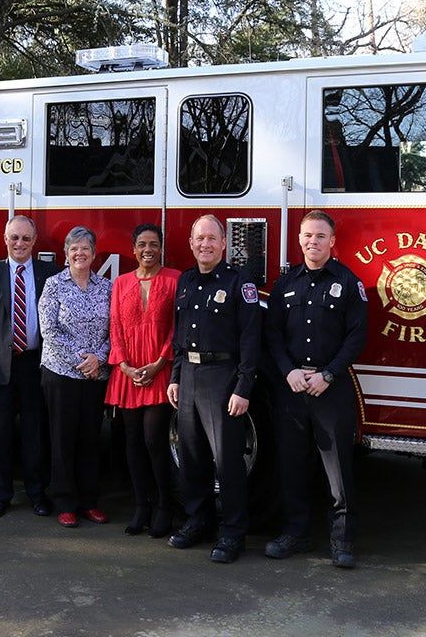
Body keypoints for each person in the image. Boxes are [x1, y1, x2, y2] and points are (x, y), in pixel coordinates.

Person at [264, 210, 368, 569]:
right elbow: (272, 334)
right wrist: (288, 371)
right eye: (308, 236)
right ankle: (295, 534)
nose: (313, 242)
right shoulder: (285, 283)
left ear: (332, 241)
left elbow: (357, 337)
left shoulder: (348, 282)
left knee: (338, 470)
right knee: (291, 465)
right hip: (292, 389)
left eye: (320, 236)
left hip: (330, 388)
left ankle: (342, 541)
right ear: (299, 240)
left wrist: (328, 374)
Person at [166, 215, 260, 563]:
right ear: (191, 244)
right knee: (192, 459)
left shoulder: (239, 283)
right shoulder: (187, 281)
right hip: (189, 374)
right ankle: (198, 521)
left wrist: (244, 386)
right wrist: (176, 376)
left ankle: (233, 534)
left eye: (211, 238)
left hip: (223, 376)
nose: (204, 244)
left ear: (223, 244)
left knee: (228, 461)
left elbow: (251, 339)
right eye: (199, 239)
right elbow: (179, 335)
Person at [0, 216, 59, 518]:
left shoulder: (50, 274)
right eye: (14, 238)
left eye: (25, 238)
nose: (19, 243)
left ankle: (37, 493)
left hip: (37, 365)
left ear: (34, 241)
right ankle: (0, 495)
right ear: (5, 240)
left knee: (36, 434)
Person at [105, 224, 180, 537]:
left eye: (153, 244)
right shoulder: (121, 283)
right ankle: (141, 506)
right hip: (128, 373)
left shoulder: (176, 279)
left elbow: (179, 326)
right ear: (133, 249)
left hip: (159, 370)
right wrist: (123, 365)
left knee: (155, 441)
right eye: (141, 245)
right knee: (132, 442)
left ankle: (165, 507)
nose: (147, 249)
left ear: (161, 247)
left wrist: (159, 362)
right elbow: (115, 327)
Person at [39, 226, 113, 529]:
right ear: (66, 254)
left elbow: (116, 330)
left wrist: (101, 358)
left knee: (90, 440)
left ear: (94, 254)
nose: (80, 253)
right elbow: (49, 330)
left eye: (85, 248)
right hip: (61, 373)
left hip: (96, 375)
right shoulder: (53, 285)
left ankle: (89, 502)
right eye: (74, 249)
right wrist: (81, 361)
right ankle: (65, 502)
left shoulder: (106, 287)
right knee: (63, 438)